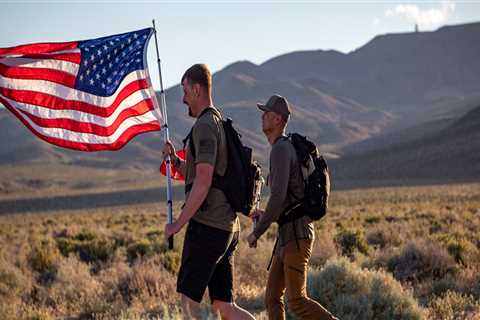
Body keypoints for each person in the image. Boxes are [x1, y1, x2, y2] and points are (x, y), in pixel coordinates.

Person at [162, 64, 255, 320]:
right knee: (224, 307)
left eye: (185, 91)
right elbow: (205, 173)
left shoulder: (204, 126)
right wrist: (176, 161)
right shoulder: (217, 121)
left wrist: (178, 224)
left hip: (208, 227)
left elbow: (203, 181)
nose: (183, 99)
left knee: (189, 303)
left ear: (196, 89)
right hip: (227, 226)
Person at [247, 94, 338, 320]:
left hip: (296, 237)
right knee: (272, 298)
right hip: (288, 236)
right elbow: (285, 199)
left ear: (278, 119)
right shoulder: (282, 148)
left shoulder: (280, 149)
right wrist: (265, 214)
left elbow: (277, 198)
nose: (262, 116)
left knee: (297, 301)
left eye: (267, 113)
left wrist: (257, 232)